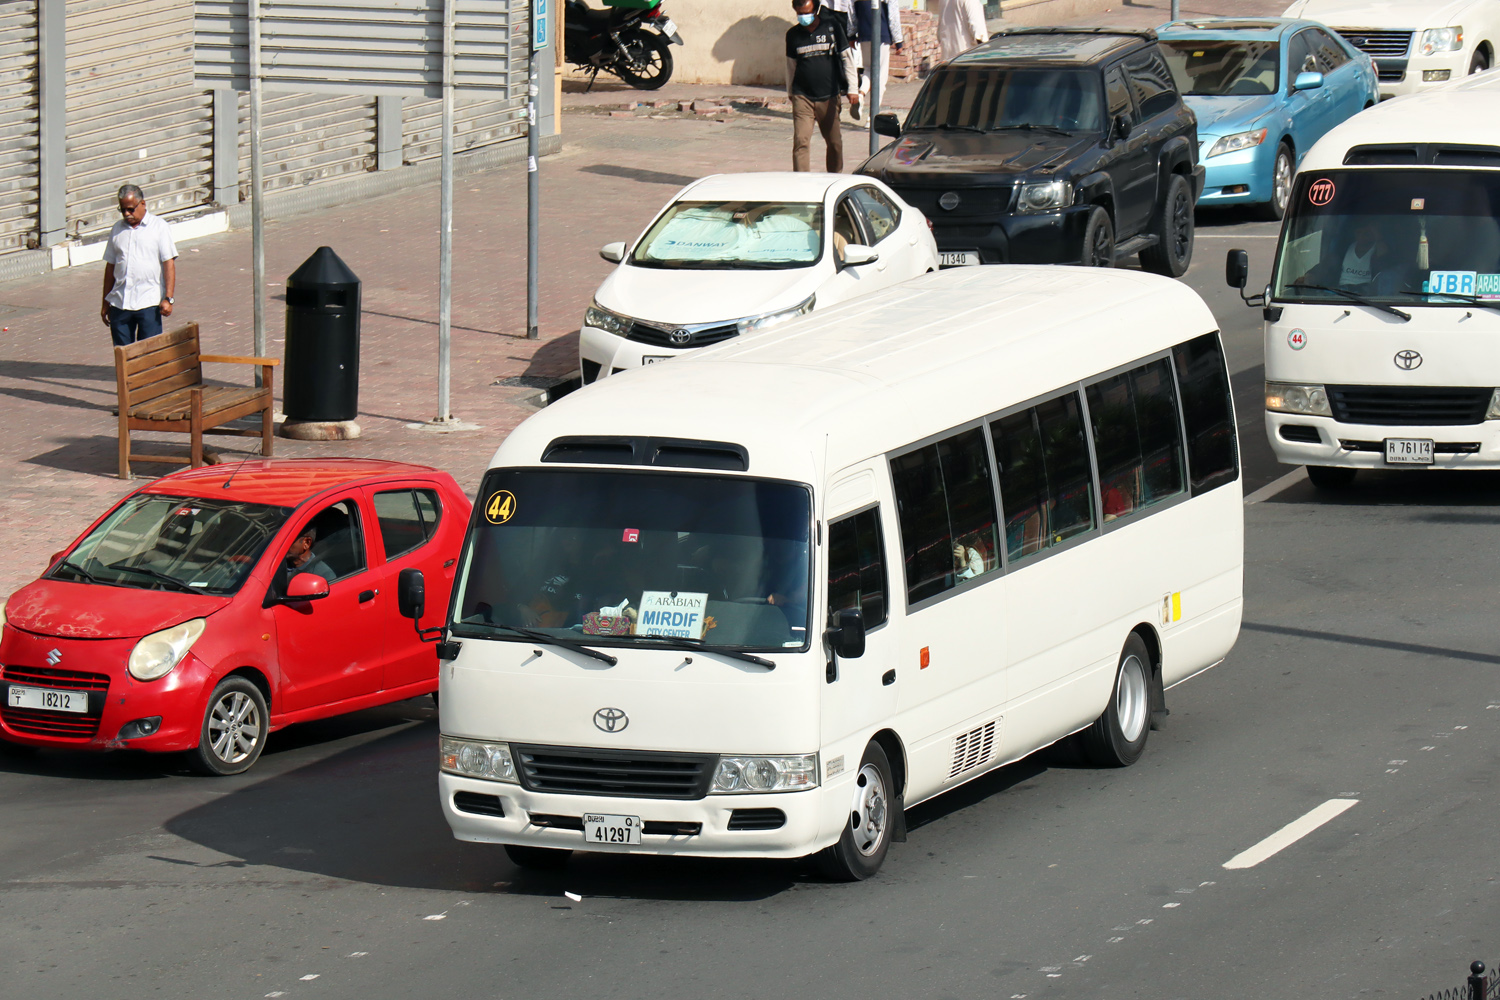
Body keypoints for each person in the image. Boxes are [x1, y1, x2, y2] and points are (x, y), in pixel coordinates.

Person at [786, 0, 860, 172]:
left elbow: (847, 59)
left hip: (829, 96)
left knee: (834, 143)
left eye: (807, 12)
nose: (804, 17)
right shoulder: (793, 35)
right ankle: (801, 181)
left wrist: (853, 88)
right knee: (801, 141)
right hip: (802, 96)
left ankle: (834, 177)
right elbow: (790, 65)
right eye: (800, 13)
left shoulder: (832, 28)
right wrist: (790, 91)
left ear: (816, 9)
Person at [100, 184, 178, 347]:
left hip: (148, 302)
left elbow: (168, 263)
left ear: (142, 204)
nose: (127, 214)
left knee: (149, 353)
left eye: (130, 209)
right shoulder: (117, 229)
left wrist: (168, 298)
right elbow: (110, 267)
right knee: (123, 355)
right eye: (123, 210)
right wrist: (105, 302)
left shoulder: (159, 227)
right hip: (120, 302)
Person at [852, 0, 904, 96]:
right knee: (881, 75)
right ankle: (876, 109)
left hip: (864, 33)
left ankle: (861, 94)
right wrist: (898, 41)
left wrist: (851, 34)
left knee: (868, 69)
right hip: (881, 34)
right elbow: (893, 16)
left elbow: (852, 13)